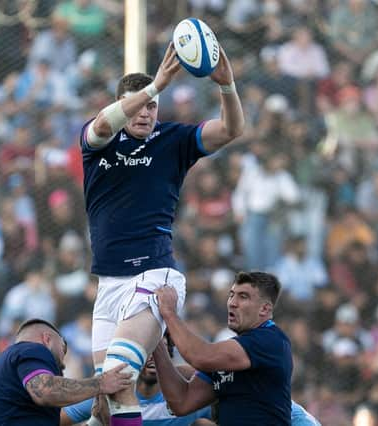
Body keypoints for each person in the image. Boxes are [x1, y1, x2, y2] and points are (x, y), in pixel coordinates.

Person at [80, 40, 244, 426]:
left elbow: (232, 130)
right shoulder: (99, 140)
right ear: (121, 105)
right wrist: (154, 86)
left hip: (153, 275)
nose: (146, 111)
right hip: (109, 284)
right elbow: (104, 124)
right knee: (105, 403)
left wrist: (227, 85)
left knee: (119, 379)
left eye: (152, 105)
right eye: (137, 103)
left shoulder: (173, 140)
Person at [153, 271, 293, 425]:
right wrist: (157, 340)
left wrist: (169, 314)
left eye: (243, 297)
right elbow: (182, 402)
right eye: (231, 295)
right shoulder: (232, 354)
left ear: (264, 309)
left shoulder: (270, 340)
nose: (232, 302)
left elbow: (200, 357)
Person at [0, 318, 132, 425]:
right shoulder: (32, 349)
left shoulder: (8, 363)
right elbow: (45, 391)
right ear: (47, 339)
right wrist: (101, 383)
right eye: (63, 348)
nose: (62, 361)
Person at [60, 336, 213, 426]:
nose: (152, 356)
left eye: (160, 349)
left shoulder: (189, 394)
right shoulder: (111, 390)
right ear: (132, 356)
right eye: (146, 350)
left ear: (170, 355)